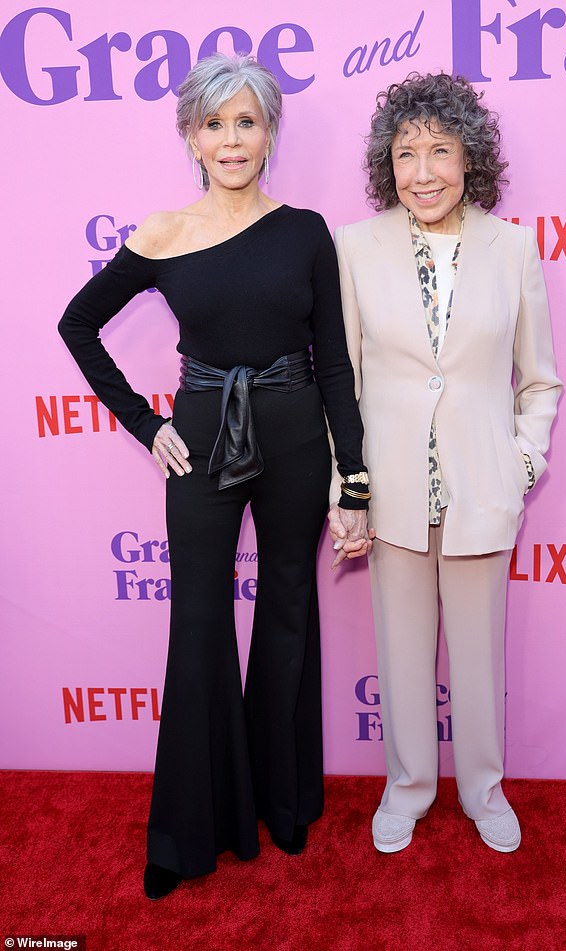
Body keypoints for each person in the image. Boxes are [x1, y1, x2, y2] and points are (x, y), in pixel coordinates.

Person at [58, 53, 370, 900]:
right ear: (191, 136)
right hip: (199, 434)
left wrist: (357, 479)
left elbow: (335, 365)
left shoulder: (307, 231)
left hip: (299, 431)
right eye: (214, 123)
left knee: (288, 609)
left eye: (248, 122)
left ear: (270, 132)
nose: (232, 140)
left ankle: (286, 799)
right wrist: (147, 422)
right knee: (197, 619)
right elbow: (77, 323)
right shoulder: (162, 232)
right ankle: (188, 829)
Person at [329, 73, 561, 854]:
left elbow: (540, 378)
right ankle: (407, 787)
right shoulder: (356, 248)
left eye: (439, 150)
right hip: (392, 490)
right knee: (400, 654)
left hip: (481, 486)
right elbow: (345, 380)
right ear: (385, 164)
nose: (421, 170)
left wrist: (521, 462)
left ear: (471, 159)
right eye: (405, 153)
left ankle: (484, 789)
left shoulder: (514, 245)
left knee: (478, 650)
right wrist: (349, 485)